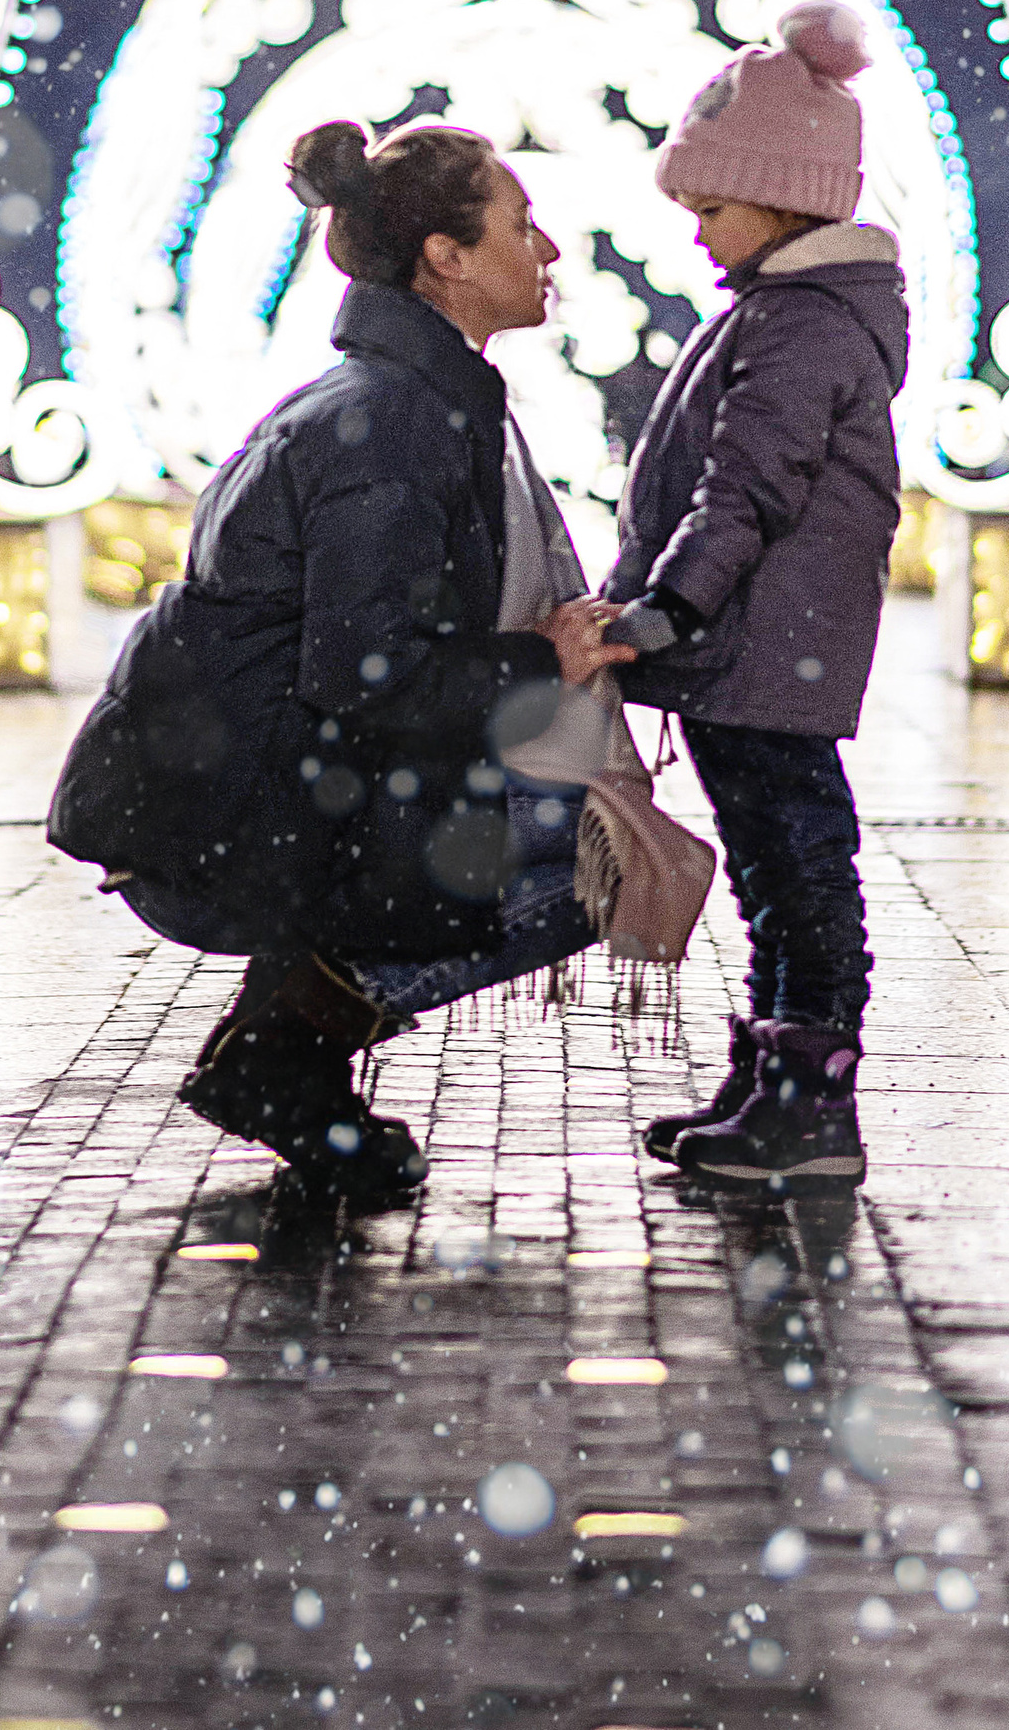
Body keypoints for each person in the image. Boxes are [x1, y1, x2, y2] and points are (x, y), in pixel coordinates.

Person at [49, 118, 635, 1202]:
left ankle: (286, 1057)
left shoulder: (409, 398)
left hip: (256, 772)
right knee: (596, 861)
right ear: (446, 258)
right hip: (235, 800)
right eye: (521, 222)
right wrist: (537, 660)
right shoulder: (397, 423)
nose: (546, 248)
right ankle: (285, 1057)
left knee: (584, 835)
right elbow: (370, 675)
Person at [606, 3, 907, 1186]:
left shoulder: (799, 324)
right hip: (758, 649)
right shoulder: (785, 312)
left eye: (710, 209)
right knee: (774, 867)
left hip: (762, 648)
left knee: (796, 867)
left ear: (781, 198)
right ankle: (773, 1078)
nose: (696, 236)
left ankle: (811, 1106)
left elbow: (746, 488)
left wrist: (667, 608)